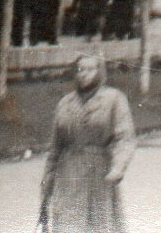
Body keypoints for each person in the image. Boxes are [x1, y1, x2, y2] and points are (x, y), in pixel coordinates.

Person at [39, 55, 136, 233]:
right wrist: (48, 179)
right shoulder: (65, 103)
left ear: (100, 72)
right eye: (79, 69)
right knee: (67, 225)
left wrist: (118, 167)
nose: (83, 74)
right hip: (68, 176)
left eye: (90, 69)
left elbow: (125, 138)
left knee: (99, 225)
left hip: (100, 174)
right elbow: (55, 147)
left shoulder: (114, 99)